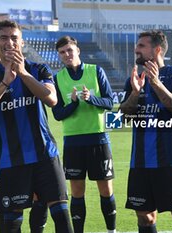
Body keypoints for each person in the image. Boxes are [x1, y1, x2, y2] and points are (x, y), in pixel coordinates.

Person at [0, 20, 73, 233]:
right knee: (11, 224)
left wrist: (23, 74)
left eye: (14, 37)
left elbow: (51, 99)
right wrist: (5, 82)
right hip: (10, 160)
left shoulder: (38, 69)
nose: (10, 42)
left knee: (62, 217)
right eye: (4, 38)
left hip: (45, 155)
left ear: (22, 42)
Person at [120, 30, 172, 233]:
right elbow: (123, 118)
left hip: (169, 162)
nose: (136, 49)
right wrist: (135, 93)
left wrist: (157, 83)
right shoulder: (133, 80)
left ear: (157, 49)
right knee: (144, 217)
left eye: (142, 46)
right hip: (140, 163)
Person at [0, 29, 49, 233]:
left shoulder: (24, 70)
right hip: (4, 151)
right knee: (8, 204)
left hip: (33, 148)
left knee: (40, 196)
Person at [52, 36, 116, 233]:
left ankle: (111, 230)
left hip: (98, 139)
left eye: (69, 50)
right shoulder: (57, 78)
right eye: (62, 52)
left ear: (77, 50)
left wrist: (91, 99)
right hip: (73, 142)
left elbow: (110, 102)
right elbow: (57, 114)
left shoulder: (96, 71)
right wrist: (72, 104)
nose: (66, 55)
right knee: (77, 192)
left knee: (106, 190)